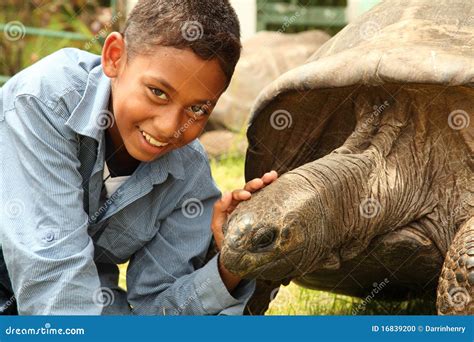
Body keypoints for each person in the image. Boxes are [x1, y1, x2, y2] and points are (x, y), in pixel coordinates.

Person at [0, 0, 278, 315]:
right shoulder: (44, 101)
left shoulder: (188, 176)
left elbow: (156, 313)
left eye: (198, 109)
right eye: (158, 92)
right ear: (114, 57)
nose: (169, 127)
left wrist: (231, 262)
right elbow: (53, 275)